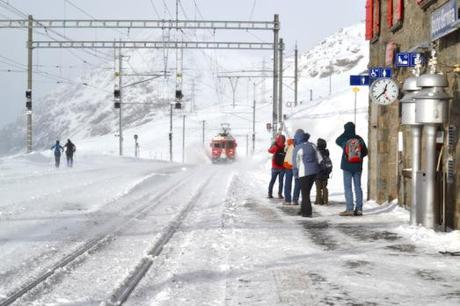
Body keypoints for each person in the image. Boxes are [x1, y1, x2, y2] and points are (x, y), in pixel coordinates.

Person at [335, 122, 368, 216]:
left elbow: (337, 140)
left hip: (347, 166)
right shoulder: (359, 139)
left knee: (348, 187)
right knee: (358, 187)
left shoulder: (344, 139)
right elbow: (365, 152)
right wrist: (358, 157)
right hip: (358, 167)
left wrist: (345, 133)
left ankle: (349, 209)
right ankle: (359, 209)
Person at [292, 129, 322, 217]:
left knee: (305, 193)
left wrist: (295, 174)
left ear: (297, 138)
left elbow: (295, 163)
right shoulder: (312, 145)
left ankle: (307, 213)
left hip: (303, 173)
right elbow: (320, 158)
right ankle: (303, 209)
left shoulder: (297, 148)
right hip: (314, 172)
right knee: (306, 192)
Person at [268, 134, 286, 199]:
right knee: (281, 182)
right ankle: (280, 194)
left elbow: (269, 151)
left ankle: (270, 194)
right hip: (282, 167)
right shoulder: (285, 147)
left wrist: (273, 143)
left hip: (274, 166)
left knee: (272, 181)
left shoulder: (275, 146)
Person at [315, 138, 332, 205]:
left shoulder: (316, 153)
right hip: (325, 173)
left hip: (318, 174)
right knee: (325, 187)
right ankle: (325, 200)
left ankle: (318, 201)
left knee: (318, 188)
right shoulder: (326, 153)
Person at [283, 138, 295, 204]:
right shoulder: (298, 144)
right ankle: (295, 199)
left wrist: (287, 144)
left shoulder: (289, 144)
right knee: (297, 183)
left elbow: (285, 150)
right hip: (296, 166)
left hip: (288, 166)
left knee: (288, 183)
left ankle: (288, 200)